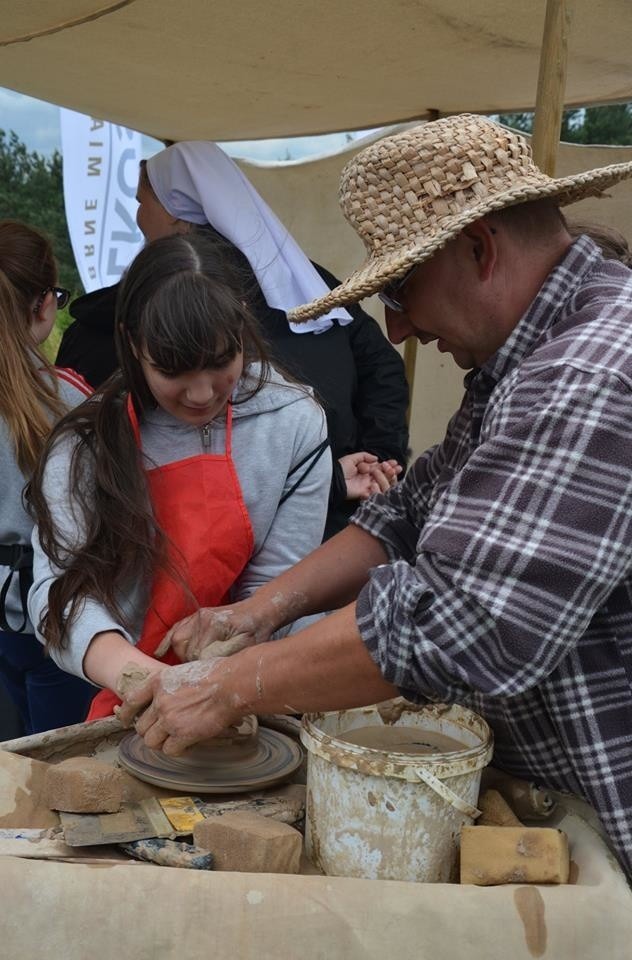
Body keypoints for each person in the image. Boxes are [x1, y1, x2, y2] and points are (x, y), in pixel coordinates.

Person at [116, 115, 632, 879]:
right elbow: (405, 511)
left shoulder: (586, 374)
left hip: (610, 806)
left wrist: (230, 685)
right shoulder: (520, 365)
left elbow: (461, 624)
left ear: (480, 248)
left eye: (401, 289)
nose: (397, 328)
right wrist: (256, 614)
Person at [27, 231, 331, 717]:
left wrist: (221, 686)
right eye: (172, 370)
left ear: (242, 329)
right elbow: (59, 596)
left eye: (219, 363)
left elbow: (281, 588)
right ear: (131, 342)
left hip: (259, 687)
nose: (200, 393)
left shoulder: (293, 421)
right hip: (131, 695)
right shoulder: (85, 443)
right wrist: (151, 681)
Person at [56, 141, 409, 538]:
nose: (202, 393)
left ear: (175, 211)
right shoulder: (303, 278)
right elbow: (385, 369)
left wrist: (359, 472)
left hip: (267, 529)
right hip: (321, 512)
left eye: (142, 202)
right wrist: (376, 463)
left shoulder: (148, 308)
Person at [0, 220, 94, 734]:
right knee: (68, 768)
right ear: (42, 305)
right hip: (53, 615)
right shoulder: (68, 399)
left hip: (3, 620)